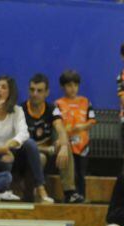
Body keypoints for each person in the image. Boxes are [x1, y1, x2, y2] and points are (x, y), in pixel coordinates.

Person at [0, 76, 53, 203]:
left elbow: (23, 133)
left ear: (10, 92)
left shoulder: (17, 110)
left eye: (3, 87)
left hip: (9, 151)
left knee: (30, 144)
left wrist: (8, 146)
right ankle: (4, 190)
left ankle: (40, 188)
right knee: (5, 160)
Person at [23, 74, 73, 203]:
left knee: (65, 147)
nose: (35, 94)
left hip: (48, 151)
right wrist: (46, 149)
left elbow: (60, 128)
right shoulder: (21, 110)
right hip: (26, 155)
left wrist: (63, 146)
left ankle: (70, 192)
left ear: (47, 93)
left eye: (39, 91)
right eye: (32, 90)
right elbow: (22, 143)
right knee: (40, 157)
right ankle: (35, 191)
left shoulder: (52, 109)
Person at [55, 70, 96, 203]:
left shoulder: (85, 101)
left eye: (75, 85)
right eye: (69, 86)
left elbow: (92, 121)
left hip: (83, 144)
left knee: (81, 172)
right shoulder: (58, 104)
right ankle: (69, 196)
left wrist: (82, 127)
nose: (72, 89)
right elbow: (57, 123)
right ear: (63, 87)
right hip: (67, 144)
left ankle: (82, 197)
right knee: (71, 171)